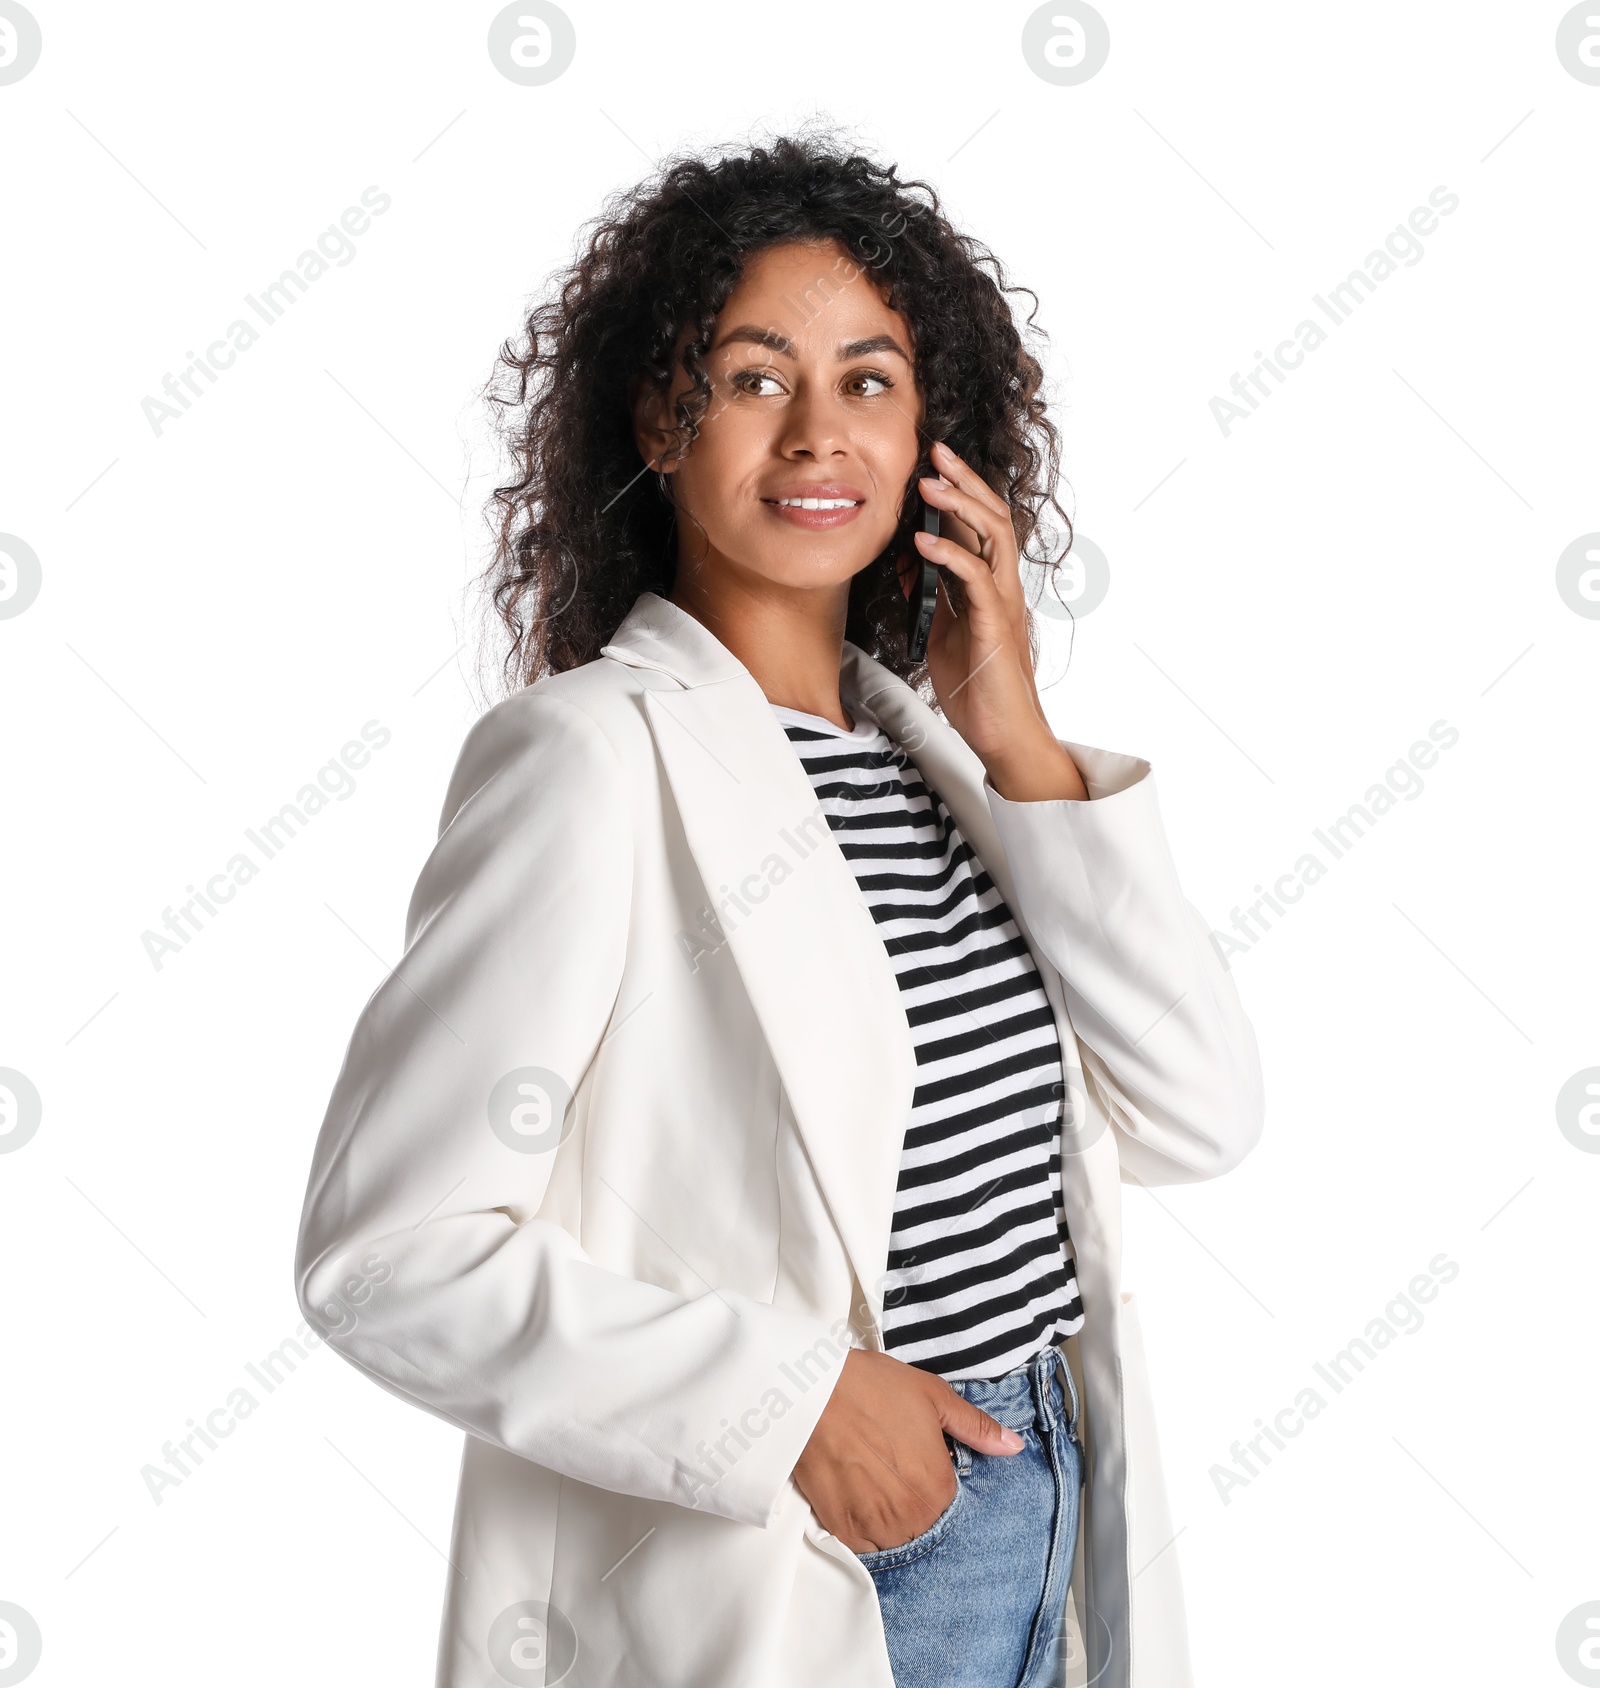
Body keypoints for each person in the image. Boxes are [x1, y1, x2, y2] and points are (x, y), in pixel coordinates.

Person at [294, 132, 1264, 1688]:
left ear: (936, 434)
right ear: (659, 417)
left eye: (871, 382)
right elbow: (390, 1255)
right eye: (755, 378)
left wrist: (1018, 736)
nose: (820, 432)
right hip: (817, 1549)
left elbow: (1204, 1115)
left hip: (1052, 1498)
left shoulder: (947, 764)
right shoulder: (592, 758)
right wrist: (794, 1399)